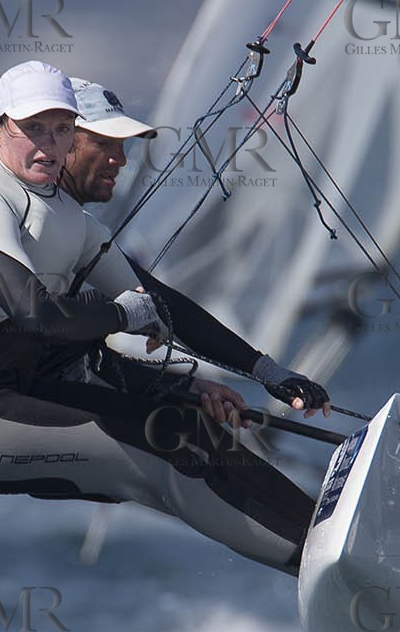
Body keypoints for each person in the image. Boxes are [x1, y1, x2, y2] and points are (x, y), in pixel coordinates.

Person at [0, 61, 328, 575]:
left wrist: (267, 372)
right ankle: (324, 566)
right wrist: (120, 315)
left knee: (189, 430)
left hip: (17, 391)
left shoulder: (69, 221)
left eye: (60, 130)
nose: (47, 144)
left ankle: (329, 534)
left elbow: (159, 302)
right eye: (32, 129)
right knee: (164, 447)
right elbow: (39, 316)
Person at [57, 75, 331, 429]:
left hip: (61, 392)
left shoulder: (78, 226)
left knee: (200, 441)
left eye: (123, 146)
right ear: (59, 141)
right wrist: (182, 386)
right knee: (191, 454)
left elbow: (164, 303)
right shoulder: (34, 221)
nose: (121, 160)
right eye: (103, 143)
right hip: (5, 406)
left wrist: (263, 373)